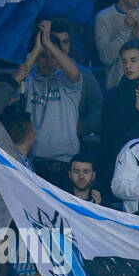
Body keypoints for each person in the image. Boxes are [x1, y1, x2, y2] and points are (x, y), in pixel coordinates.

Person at [14, 19, 85, 188]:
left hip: (65, 164)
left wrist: (48, 43)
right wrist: (37, 49)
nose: (49, 61)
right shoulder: (29, 81)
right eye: (44, 56)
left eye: (54, 56)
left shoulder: (67, 81)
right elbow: (14, 83)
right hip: (34, 163)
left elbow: (74, 73)